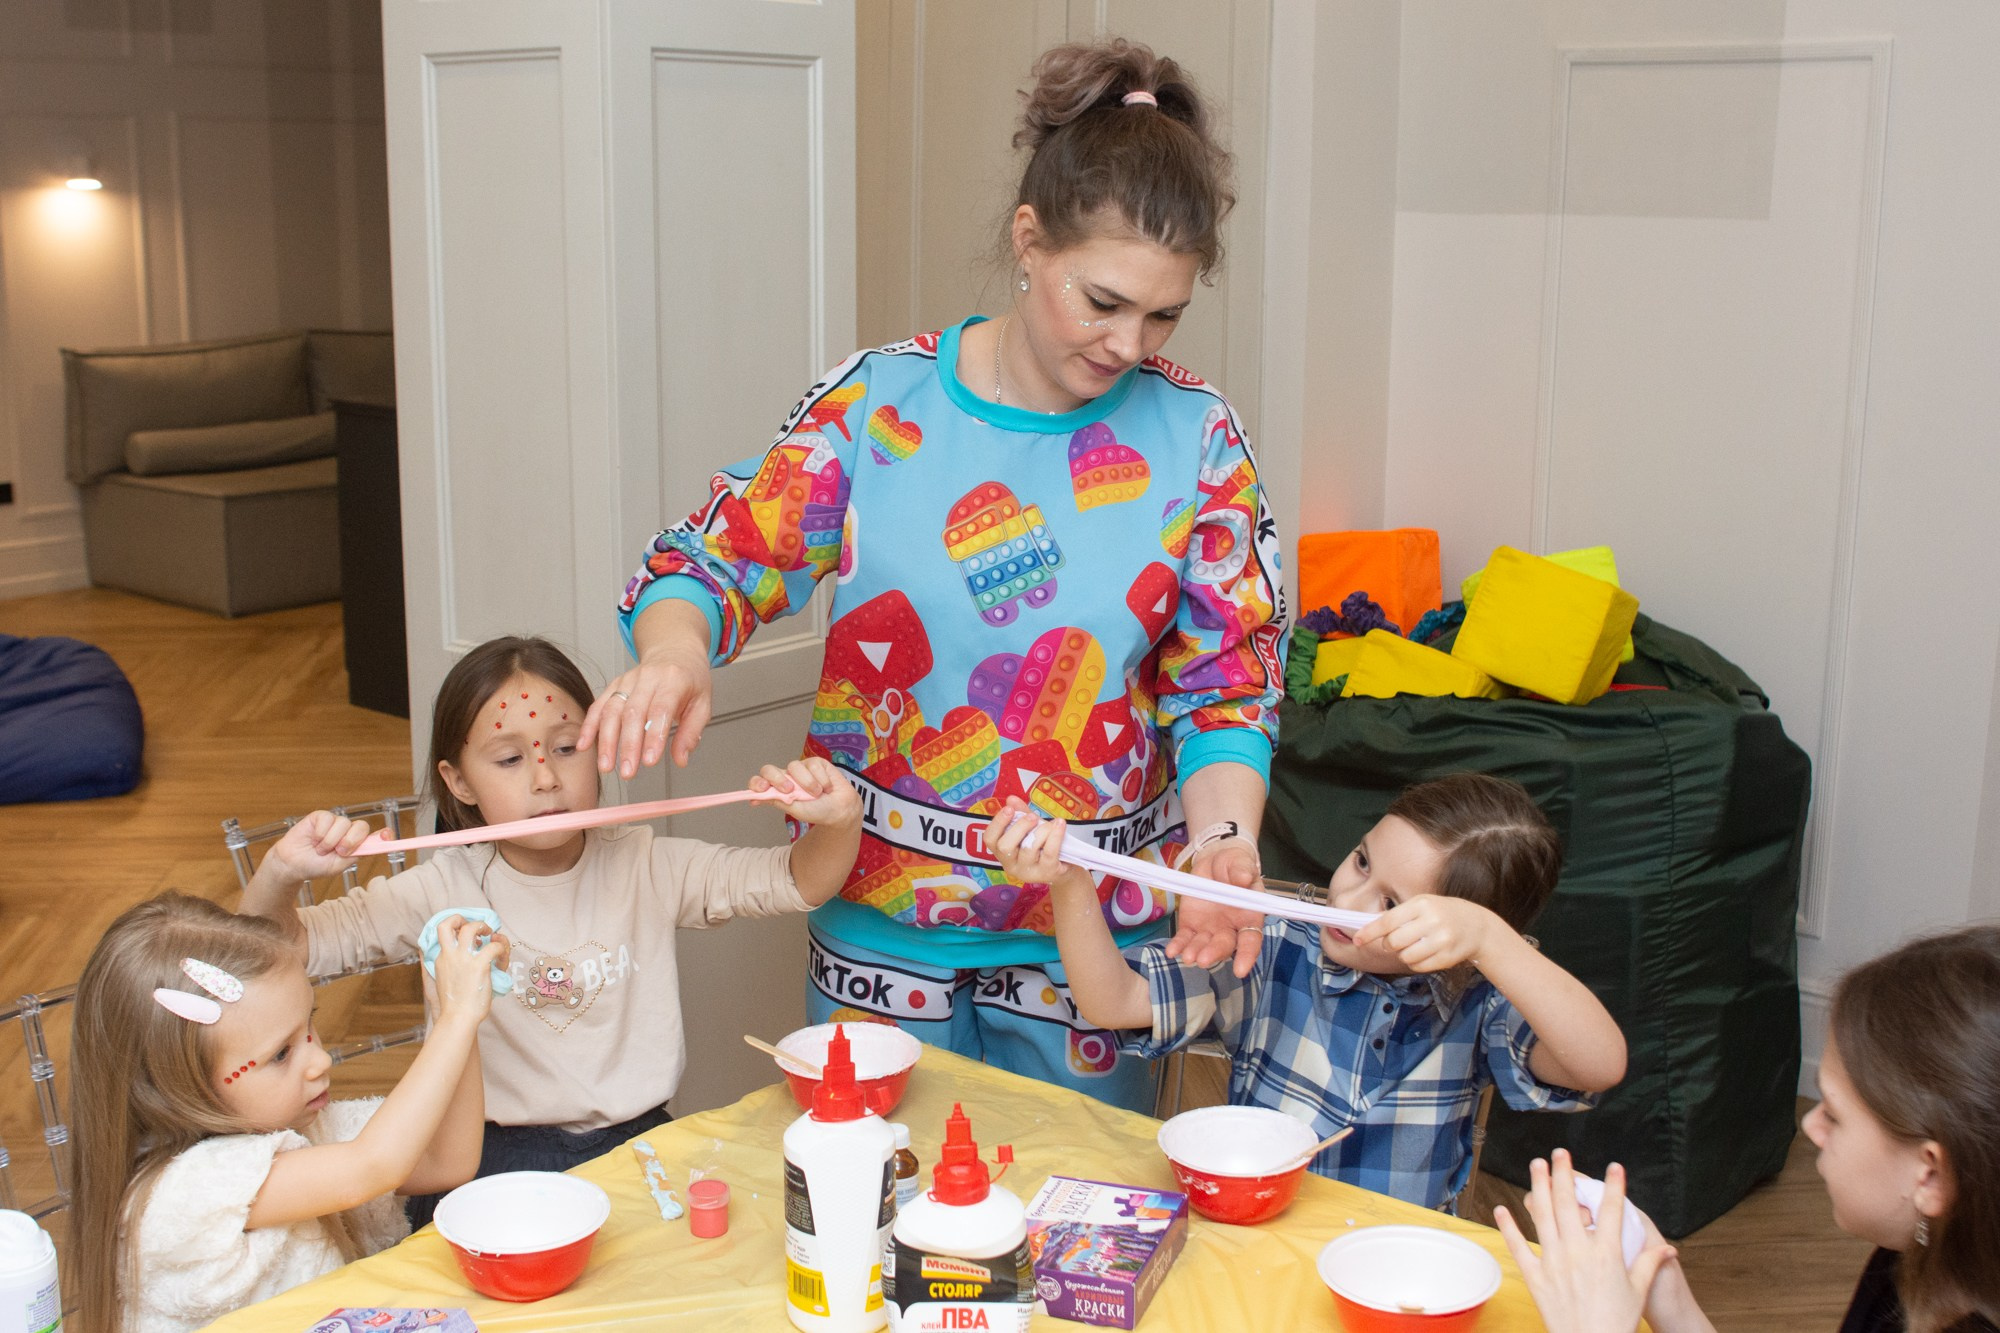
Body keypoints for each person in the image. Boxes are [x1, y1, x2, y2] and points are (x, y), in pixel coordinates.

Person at [582, 36, 1288, 1111]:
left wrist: (1225, 835)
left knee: (1072, 1244)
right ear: (1027, 239)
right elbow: (714, 560)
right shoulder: (875, 407)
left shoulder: (1197, 439)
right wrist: (673, 653)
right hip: (879, 919)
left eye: (1163, 315)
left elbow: (1227, 685)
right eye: (1100, 301)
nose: (1126, 344)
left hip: (1090, 942)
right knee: (878, 1219)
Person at [237, 634, 861, 1220]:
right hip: (487, 1161)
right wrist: (281, 874)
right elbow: (280, 948)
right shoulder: (438, 886)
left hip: (639, 1142)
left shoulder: (646, 863)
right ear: (459, 782)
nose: (545, 778)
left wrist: (836, 821)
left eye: (567, 748)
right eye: (509, 759)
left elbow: (797, 882)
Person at [987, 772, 1628, 1208]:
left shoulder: (1481, 999)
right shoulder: (1278, 946)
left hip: (1396, 1271)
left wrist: (1494, 943)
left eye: (1391, 903)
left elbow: (1599, 1064)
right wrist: (1067, 883)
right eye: (1362, 860)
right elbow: (1113, 1001)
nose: (1348, 897)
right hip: (1252, 1238)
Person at [1496, 923, 2000, 1333]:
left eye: (1836, 1114)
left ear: (1930, 1175)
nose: (1812, 1125)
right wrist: (1672, 1302)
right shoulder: (1913, 1259)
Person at [68, 894, 503, 1333]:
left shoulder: (304, 1127)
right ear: (175, 1082)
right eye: (281, 1054)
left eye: (309, 1027)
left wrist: (449, 1011)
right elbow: (372, 1167)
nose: (319, 1061)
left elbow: (446, 1162)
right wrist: (456, 1018)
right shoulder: (181, 1192)